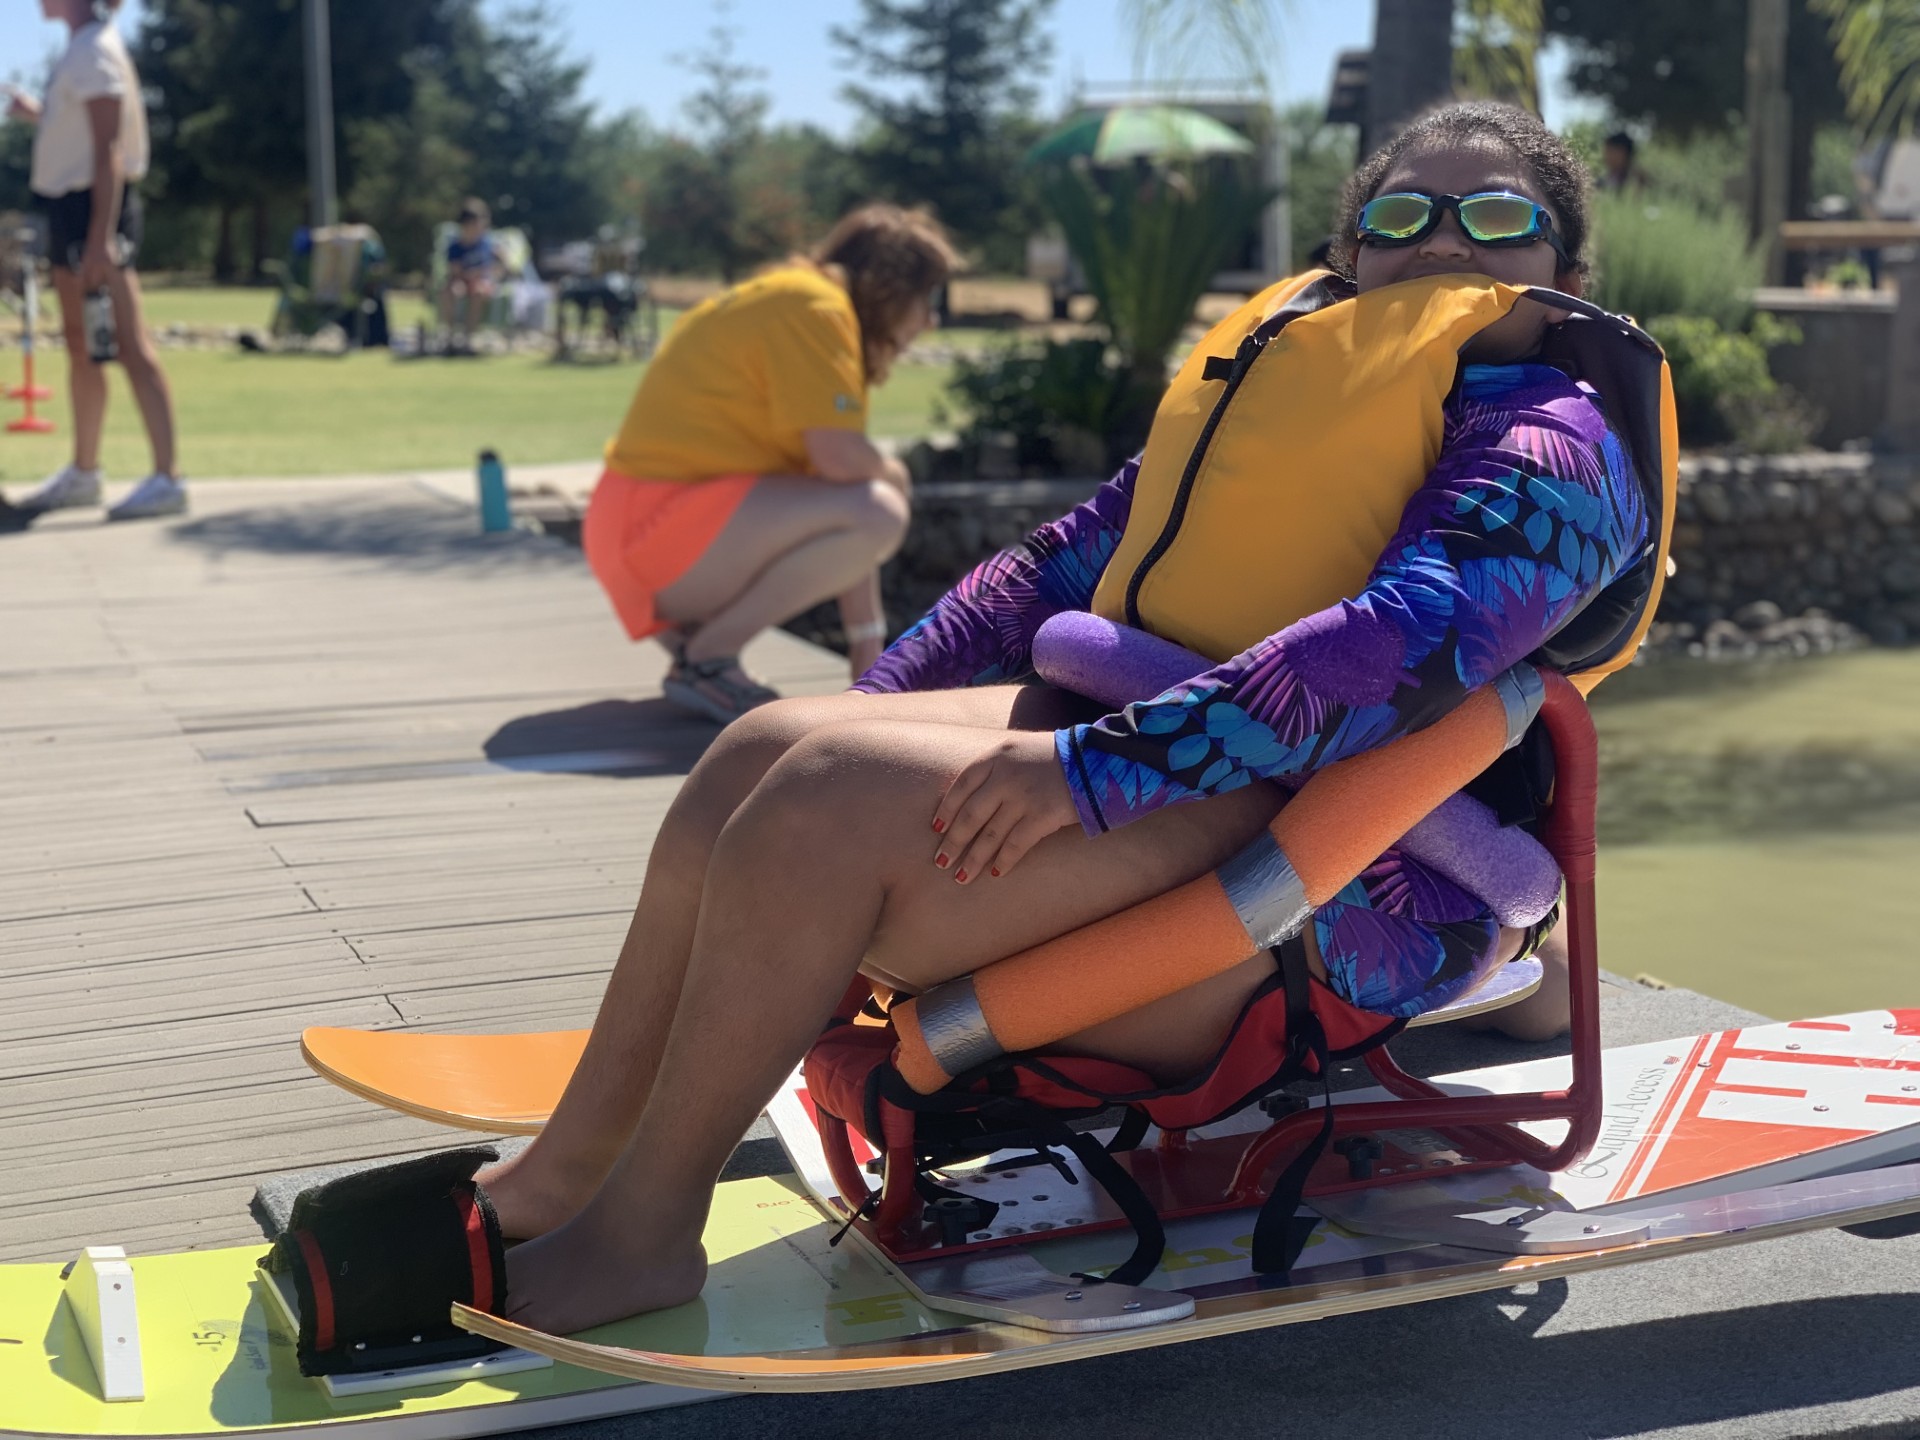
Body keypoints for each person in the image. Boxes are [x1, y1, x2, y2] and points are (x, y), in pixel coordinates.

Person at [484, 101, 1648, 1333]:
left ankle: (643, 1234)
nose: (1445, 244)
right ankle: (565, 1173)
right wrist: (865, 715)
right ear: (1346, 257)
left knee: (821, 817)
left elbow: (1395, 647)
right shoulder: (1297, 394)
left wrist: (1088, 771)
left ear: (1567, 279)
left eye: (1499, 219)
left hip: (1358, 871)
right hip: (1197, 781)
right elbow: (1057, 565)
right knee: (760, 756)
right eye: (1401, 214)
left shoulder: (1556, 446)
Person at [582, 204, 958, 722]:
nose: (931, 319)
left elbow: (845, 508)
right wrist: (897, 473)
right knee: (882, 506)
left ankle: (703, 654)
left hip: (638, 534)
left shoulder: (800, 298)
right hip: (651, 535)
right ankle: (709, 659)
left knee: (871, 508)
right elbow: (846, 468)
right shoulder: (816, 309)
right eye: (927, 298)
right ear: (891, 287)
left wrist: (869, 668)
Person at [5, 0, 184, 523]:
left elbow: (108, 151)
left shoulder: (96, 51)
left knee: (129, 344)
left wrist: (101, 238)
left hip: (94, 211)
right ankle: (84, 472)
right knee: (81, 346)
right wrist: (37, 115)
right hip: (70, 209)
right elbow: (82, 135)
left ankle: (167, 478)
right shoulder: (82, 49)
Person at [439, 198, 499, 354]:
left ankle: (468, 339)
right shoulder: (455, 246)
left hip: (480, 283)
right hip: (461, 280)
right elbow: (455, 271)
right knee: (451, 291)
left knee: (478, 292)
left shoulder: (487, 244)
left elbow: (494, 267)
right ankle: (450, 337)